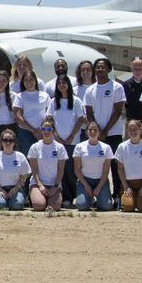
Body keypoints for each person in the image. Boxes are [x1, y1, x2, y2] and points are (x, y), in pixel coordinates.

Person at [83, 58, 126, 205]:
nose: (100, 70)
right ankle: (94, 195)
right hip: (95, 135)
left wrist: (106, 130)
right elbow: (89, 112)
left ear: (108, 69)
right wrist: (97, 131)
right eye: (98, 68)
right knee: (96, 165)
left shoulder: (117, 87)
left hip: (113, 133)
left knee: (115, 165)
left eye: (103, 67)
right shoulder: (90, 90)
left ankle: (118, 196)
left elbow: (118, 110)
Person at [48, 74, 86, 202]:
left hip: (72, 141)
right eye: (59, 83)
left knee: (71, 170)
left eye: (64, 83)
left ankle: (74, 195)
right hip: (57, 141)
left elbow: (81, 119)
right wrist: (56, 137)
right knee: (61, 170)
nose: (61, 85)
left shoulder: (76, 101)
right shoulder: (53, 102)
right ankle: (65, 197)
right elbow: (50, 119)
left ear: (68, 85)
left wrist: (71, 136)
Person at [26, 115, 68, 212]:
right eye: (43, 129)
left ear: (53, 131)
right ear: (41, 131)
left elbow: (61, 170)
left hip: (54, 184)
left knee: (54, 207)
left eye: (49, 129)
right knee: (39, 206)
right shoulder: (35, 147)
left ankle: (51, 198)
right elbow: (34, 170)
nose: (46, 132)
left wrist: (55, 186)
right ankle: (35, 196)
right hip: (37, 183)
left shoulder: (60, 147)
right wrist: (40, 185)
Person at [115, 119, 142, 212]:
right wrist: (125, 186)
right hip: (129, 183)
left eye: (135, 129)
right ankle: (130, 199)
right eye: (130, 130)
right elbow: (120, 169)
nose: (133, 132)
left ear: (140, 129)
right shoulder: (122, 147)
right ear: (127, 131)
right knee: (128, 207)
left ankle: (141, 199)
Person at [72, 121, 115, 211]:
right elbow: (77, 170)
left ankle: (98, 200)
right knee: (81, 206)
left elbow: (106, 170)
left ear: (99, 132)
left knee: (106, 206)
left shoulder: (106, 147)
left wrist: (99, 187)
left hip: (101, 180)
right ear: (86, 132)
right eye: (90, 129)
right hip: (85, 180)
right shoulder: (79, 147)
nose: (92, 132)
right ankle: (89, 199)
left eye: (95, 130)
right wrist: (87, 186)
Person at [0, 129, 30, 210]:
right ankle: (2, 200)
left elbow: (24, 176)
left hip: (16, 187)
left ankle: (13, 200)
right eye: (5, 140)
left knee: (17, 205)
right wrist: (0, 190)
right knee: (0, 205)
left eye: (11, 140)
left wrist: (15, 189)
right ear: (1, 142)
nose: (8, 143)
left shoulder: (20, 156)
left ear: (14, 142)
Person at [12, 69, 51, 153]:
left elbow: (49, 115)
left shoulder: (45, 96)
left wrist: (40, 130)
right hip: (25, 132)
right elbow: (18, 117)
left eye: (31, 79)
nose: (29, 82)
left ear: (35, 80)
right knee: (27, 155)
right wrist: (33, 130)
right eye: (26, 80)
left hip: (43, 132)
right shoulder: (19, 96)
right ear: (23, 82)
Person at [121, 57, 142, 127]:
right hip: (131, 123)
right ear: (131, 69)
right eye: (135, 69)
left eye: (140, 69)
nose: (138, 71)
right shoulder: (126, 85)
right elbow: (123, 104)